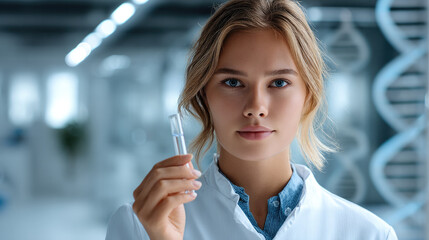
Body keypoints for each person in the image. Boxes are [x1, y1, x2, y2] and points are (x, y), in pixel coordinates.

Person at [105, 0, 398, 239]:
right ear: (203, 96)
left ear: (308, 96)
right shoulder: (140, 227)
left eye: (279, 83)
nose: (256, 107)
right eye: (233, 82)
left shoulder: (369, 234)